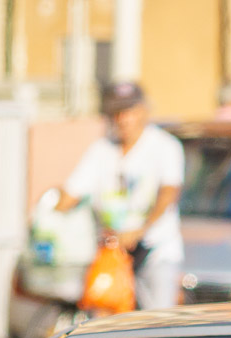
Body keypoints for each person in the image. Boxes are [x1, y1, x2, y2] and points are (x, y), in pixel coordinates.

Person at [58, 81, 186, 312]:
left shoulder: (164, 147)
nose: (123, 119)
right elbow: (71, 192)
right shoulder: (101, 151)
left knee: (157, 324)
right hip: (112, 254)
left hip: (155, 251)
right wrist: (50, 217)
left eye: (129, 111)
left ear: (144, 111)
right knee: (105, 322)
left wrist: (141, 229)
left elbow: (168, 193)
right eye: (117, 112)